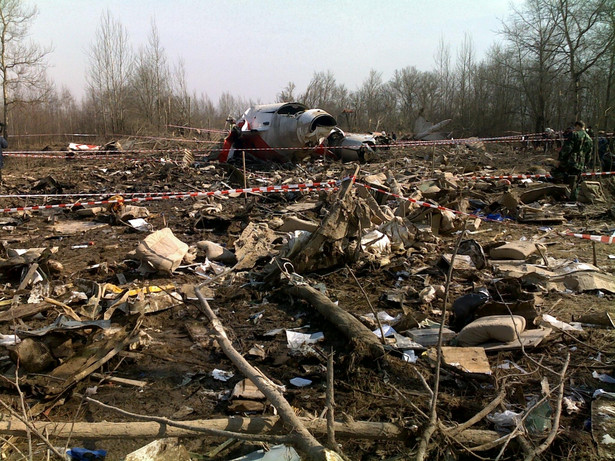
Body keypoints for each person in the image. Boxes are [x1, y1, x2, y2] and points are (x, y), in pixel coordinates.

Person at [551, 120, 593, 199]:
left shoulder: (575, 135)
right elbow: (589, 154)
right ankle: (573, 198)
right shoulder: (589, 139)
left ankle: (564, 183)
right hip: (581, 162)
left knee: (555, 172)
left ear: (577, 126)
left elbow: (567, 148)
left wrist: (560, 159)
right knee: (576, 182)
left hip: (571, 160)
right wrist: (586, 163)